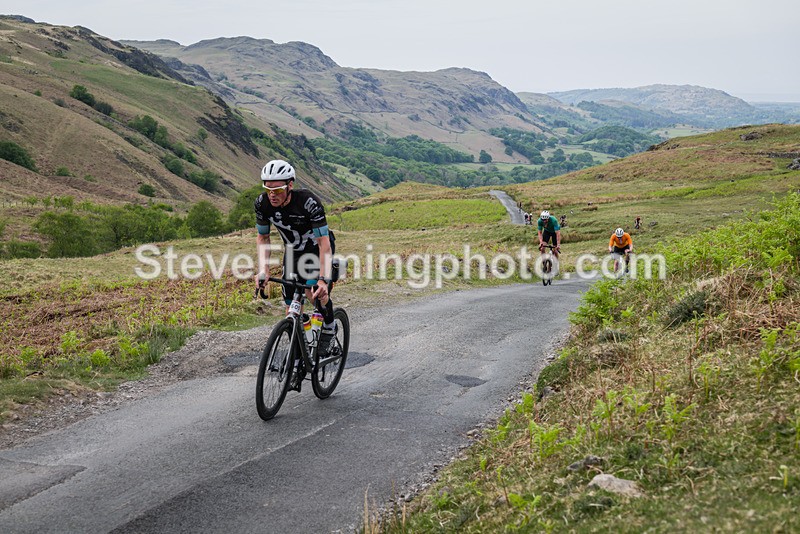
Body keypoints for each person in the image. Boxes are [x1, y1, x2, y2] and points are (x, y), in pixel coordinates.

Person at [254, 159, 337, 389]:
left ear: (290, 186)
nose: (272, 195)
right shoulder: (262, 204)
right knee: (291, 307)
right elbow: (263, 238)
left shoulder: (308, 202)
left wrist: (322, 278)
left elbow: (324, 243)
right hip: (293, 253)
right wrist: (264, 270)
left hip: (316, 251)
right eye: (268, 189)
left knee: (313, 293)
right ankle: (299, 357)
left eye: (278, 190)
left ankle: (329, 325)